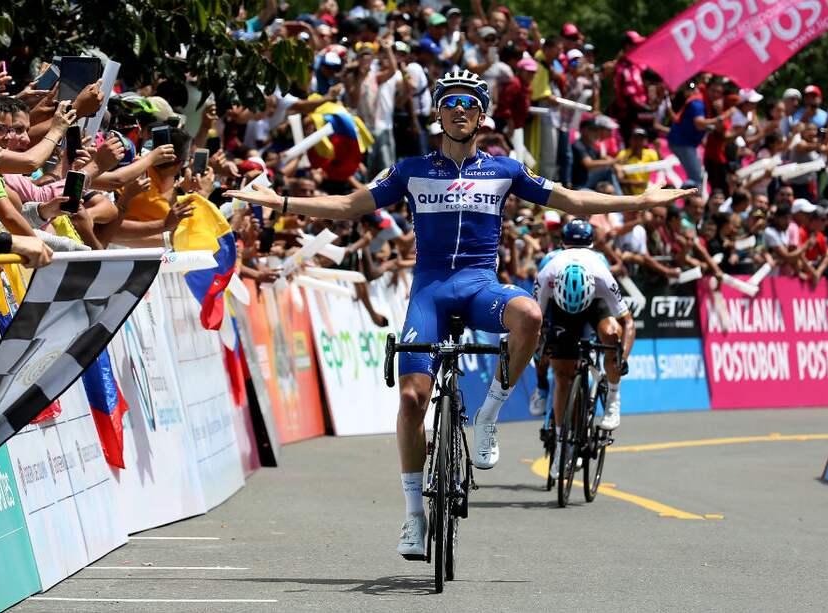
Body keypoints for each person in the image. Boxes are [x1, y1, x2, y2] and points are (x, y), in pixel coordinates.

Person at [223, 68, 694, 559]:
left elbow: (573, 200)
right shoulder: (410, 170)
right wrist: (279, 201)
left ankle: (488, 414)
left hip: (479, 287)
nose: (460, 110)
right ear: (438, 113)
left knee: (530, 317)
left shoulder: (505, 170)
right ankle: (413, 515)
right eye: (451, 102)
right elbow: (346, 205)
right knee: (412, 399)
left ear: (482, 115)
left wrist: (641, 199)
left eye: (470, 103)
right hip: (429, 293)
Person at [534, 219, 634, 478]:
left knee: (611, 334)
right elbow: (536, 322)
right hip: (559, 308)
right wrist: (540, 351)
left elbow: (628, 322)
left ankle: (612, 399)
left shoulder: (601, 273)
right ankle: (561, 446)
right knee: (562, 376)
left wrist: (621, 359)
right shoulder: (548, 272)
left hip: (595, 303)